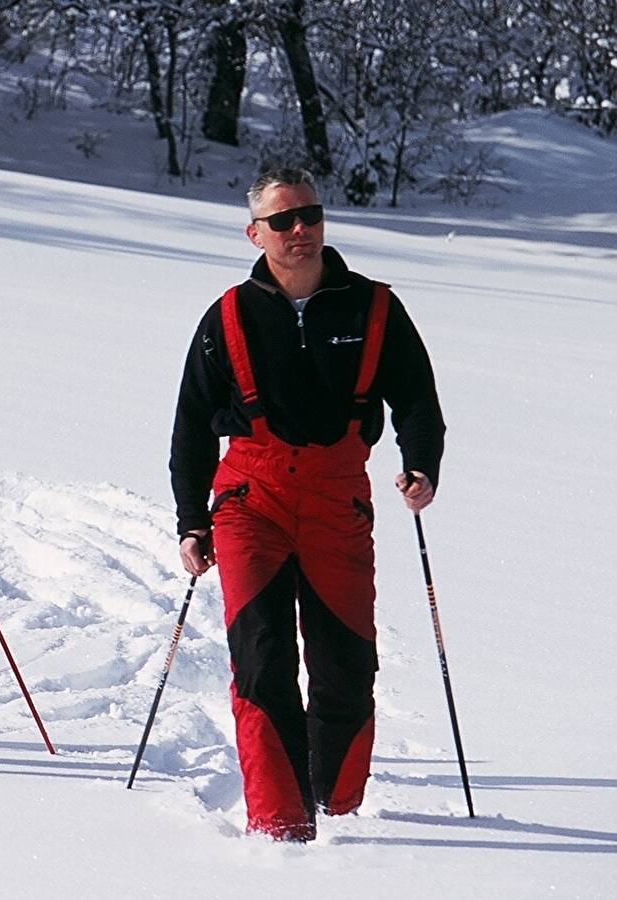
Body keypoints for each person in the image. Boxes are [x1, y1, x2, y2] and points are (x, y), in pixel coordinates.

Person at [169, 168, 445, 841]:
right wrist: (189, 519)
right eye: (283, 221)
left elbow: (414, 397)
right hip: (249, 500)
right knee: (261, 660)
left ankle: (338, 811)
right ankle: (278, 823)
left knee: (344, 663)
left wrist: (419, 463)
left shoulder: (373, 306)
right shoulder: (228, 314)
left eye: (309, 216)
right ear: (254, 232)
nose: (300, 231)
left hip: (336, 499)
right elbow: (190, 423)